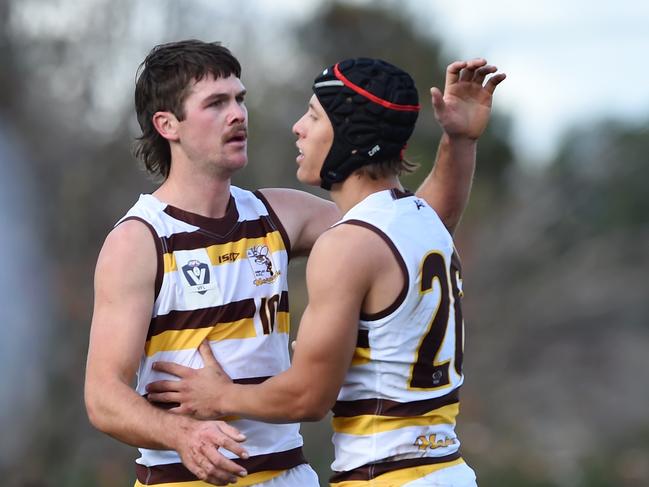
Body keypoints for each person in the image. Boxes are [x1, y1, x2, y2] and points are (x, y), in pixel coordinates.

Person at [84, 39, 500, 487]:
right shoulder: (139, 240)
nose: (238, 114)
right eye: (216, 103)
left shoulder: (280, 214)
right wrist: (183, 434)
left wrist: (458, 142)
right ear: (167, 124)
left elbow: (407, 231)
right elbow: (104, 396)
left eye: (240, 99)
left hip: (288, 476)